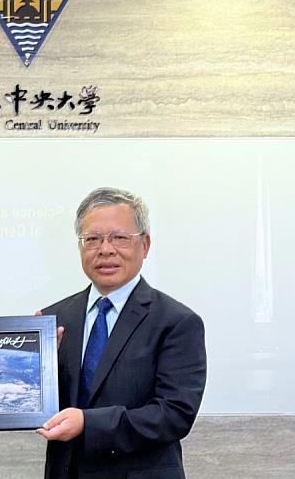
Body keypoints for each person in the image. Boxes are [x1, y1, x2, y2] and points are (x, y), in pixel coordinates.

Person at [37, 187, 206, 478]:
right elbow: (40, 404)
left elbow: (175, 414)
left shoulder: (177, 322)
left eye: (119, 238)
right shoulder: (55, 319)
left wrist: (88, 423)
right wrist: (36, 369)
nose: (105, 249)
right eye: (92, 239)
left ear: (145, 245)